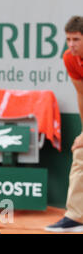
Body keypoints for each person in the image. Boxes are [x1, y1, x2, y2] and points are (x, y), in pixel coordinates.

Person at [46, 16, 83, 232]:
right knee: (80, 152)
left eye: (76, 39)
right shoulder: (70, 58)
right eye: (68, 39)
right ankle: (76, 217)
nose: (71, 44)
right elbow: (81, 92)